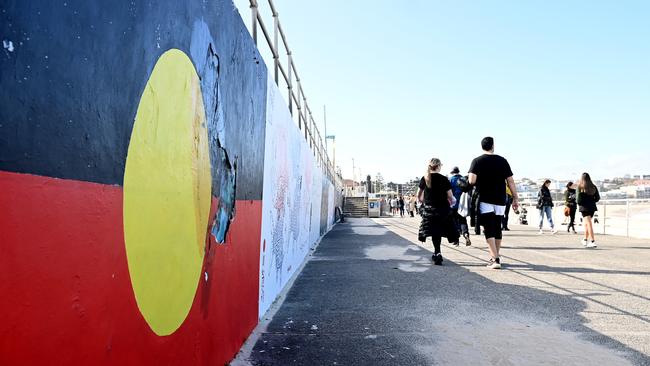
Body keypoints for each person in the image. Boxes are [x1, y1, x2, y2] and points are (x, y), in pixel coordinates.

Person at [468, 137, 519, 269]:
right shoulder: (502, 160)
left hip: (485, 198)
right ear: (493, 146)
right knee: (497, 226)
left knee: (488, 228)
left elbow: (472, 180)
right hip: (501, 199)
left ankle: (495, 258)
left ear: (482, 146)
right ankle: (496, 256)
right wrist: (515, 198)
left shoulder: (477, 161)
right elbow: (511, 181)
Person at [417, 158, 459, 265]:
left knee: (435, 232)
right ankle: (439, 251)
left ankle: (437, 252)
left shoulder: (425, 178)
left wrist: (424, 202)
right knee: (444, 230)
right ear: (439, 166)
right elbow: (450, 196)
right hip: (443, 210)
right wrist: (451, 202)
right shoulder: (444, 179)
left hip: (430, 210)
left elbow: (418, 196)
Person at [449, 166, 471, 246]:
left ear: (452, 172)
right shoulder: (463, 179)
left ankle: (456, 241)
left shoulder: (450, 179)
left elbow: (448, 192)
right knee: (463, 220)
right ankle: (466, 234)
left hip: (453, 204)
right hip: (463, 204)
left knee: (454, 222)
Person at [577, 172, 599, 248]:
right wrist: (591, 201)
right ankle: (585, 239)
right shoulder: (594, 187)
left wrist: (582, 203)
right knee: (587, 223)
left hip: (584, 207)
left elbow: (578, 200)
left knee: (588, 224)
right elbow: (597, 198)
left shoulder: (580, 187)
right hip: (592, 207)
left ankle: (593, 241)